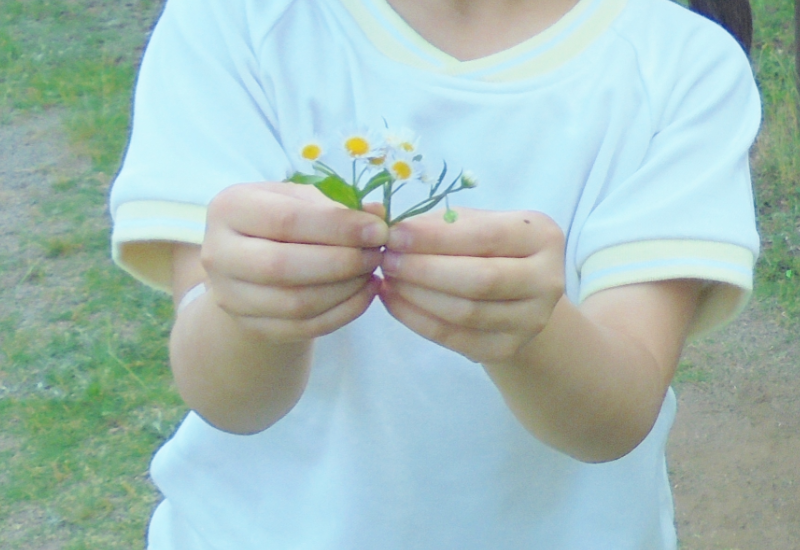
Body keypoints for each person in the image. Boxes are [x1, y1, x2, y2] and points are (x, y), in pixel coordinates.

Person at [109, 0, 760, 547]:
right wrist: (250, 307)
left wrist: (532, 332)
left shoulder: (681, 65)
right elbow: (225, 398)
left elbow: (614, 419)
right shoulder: (234, 21)